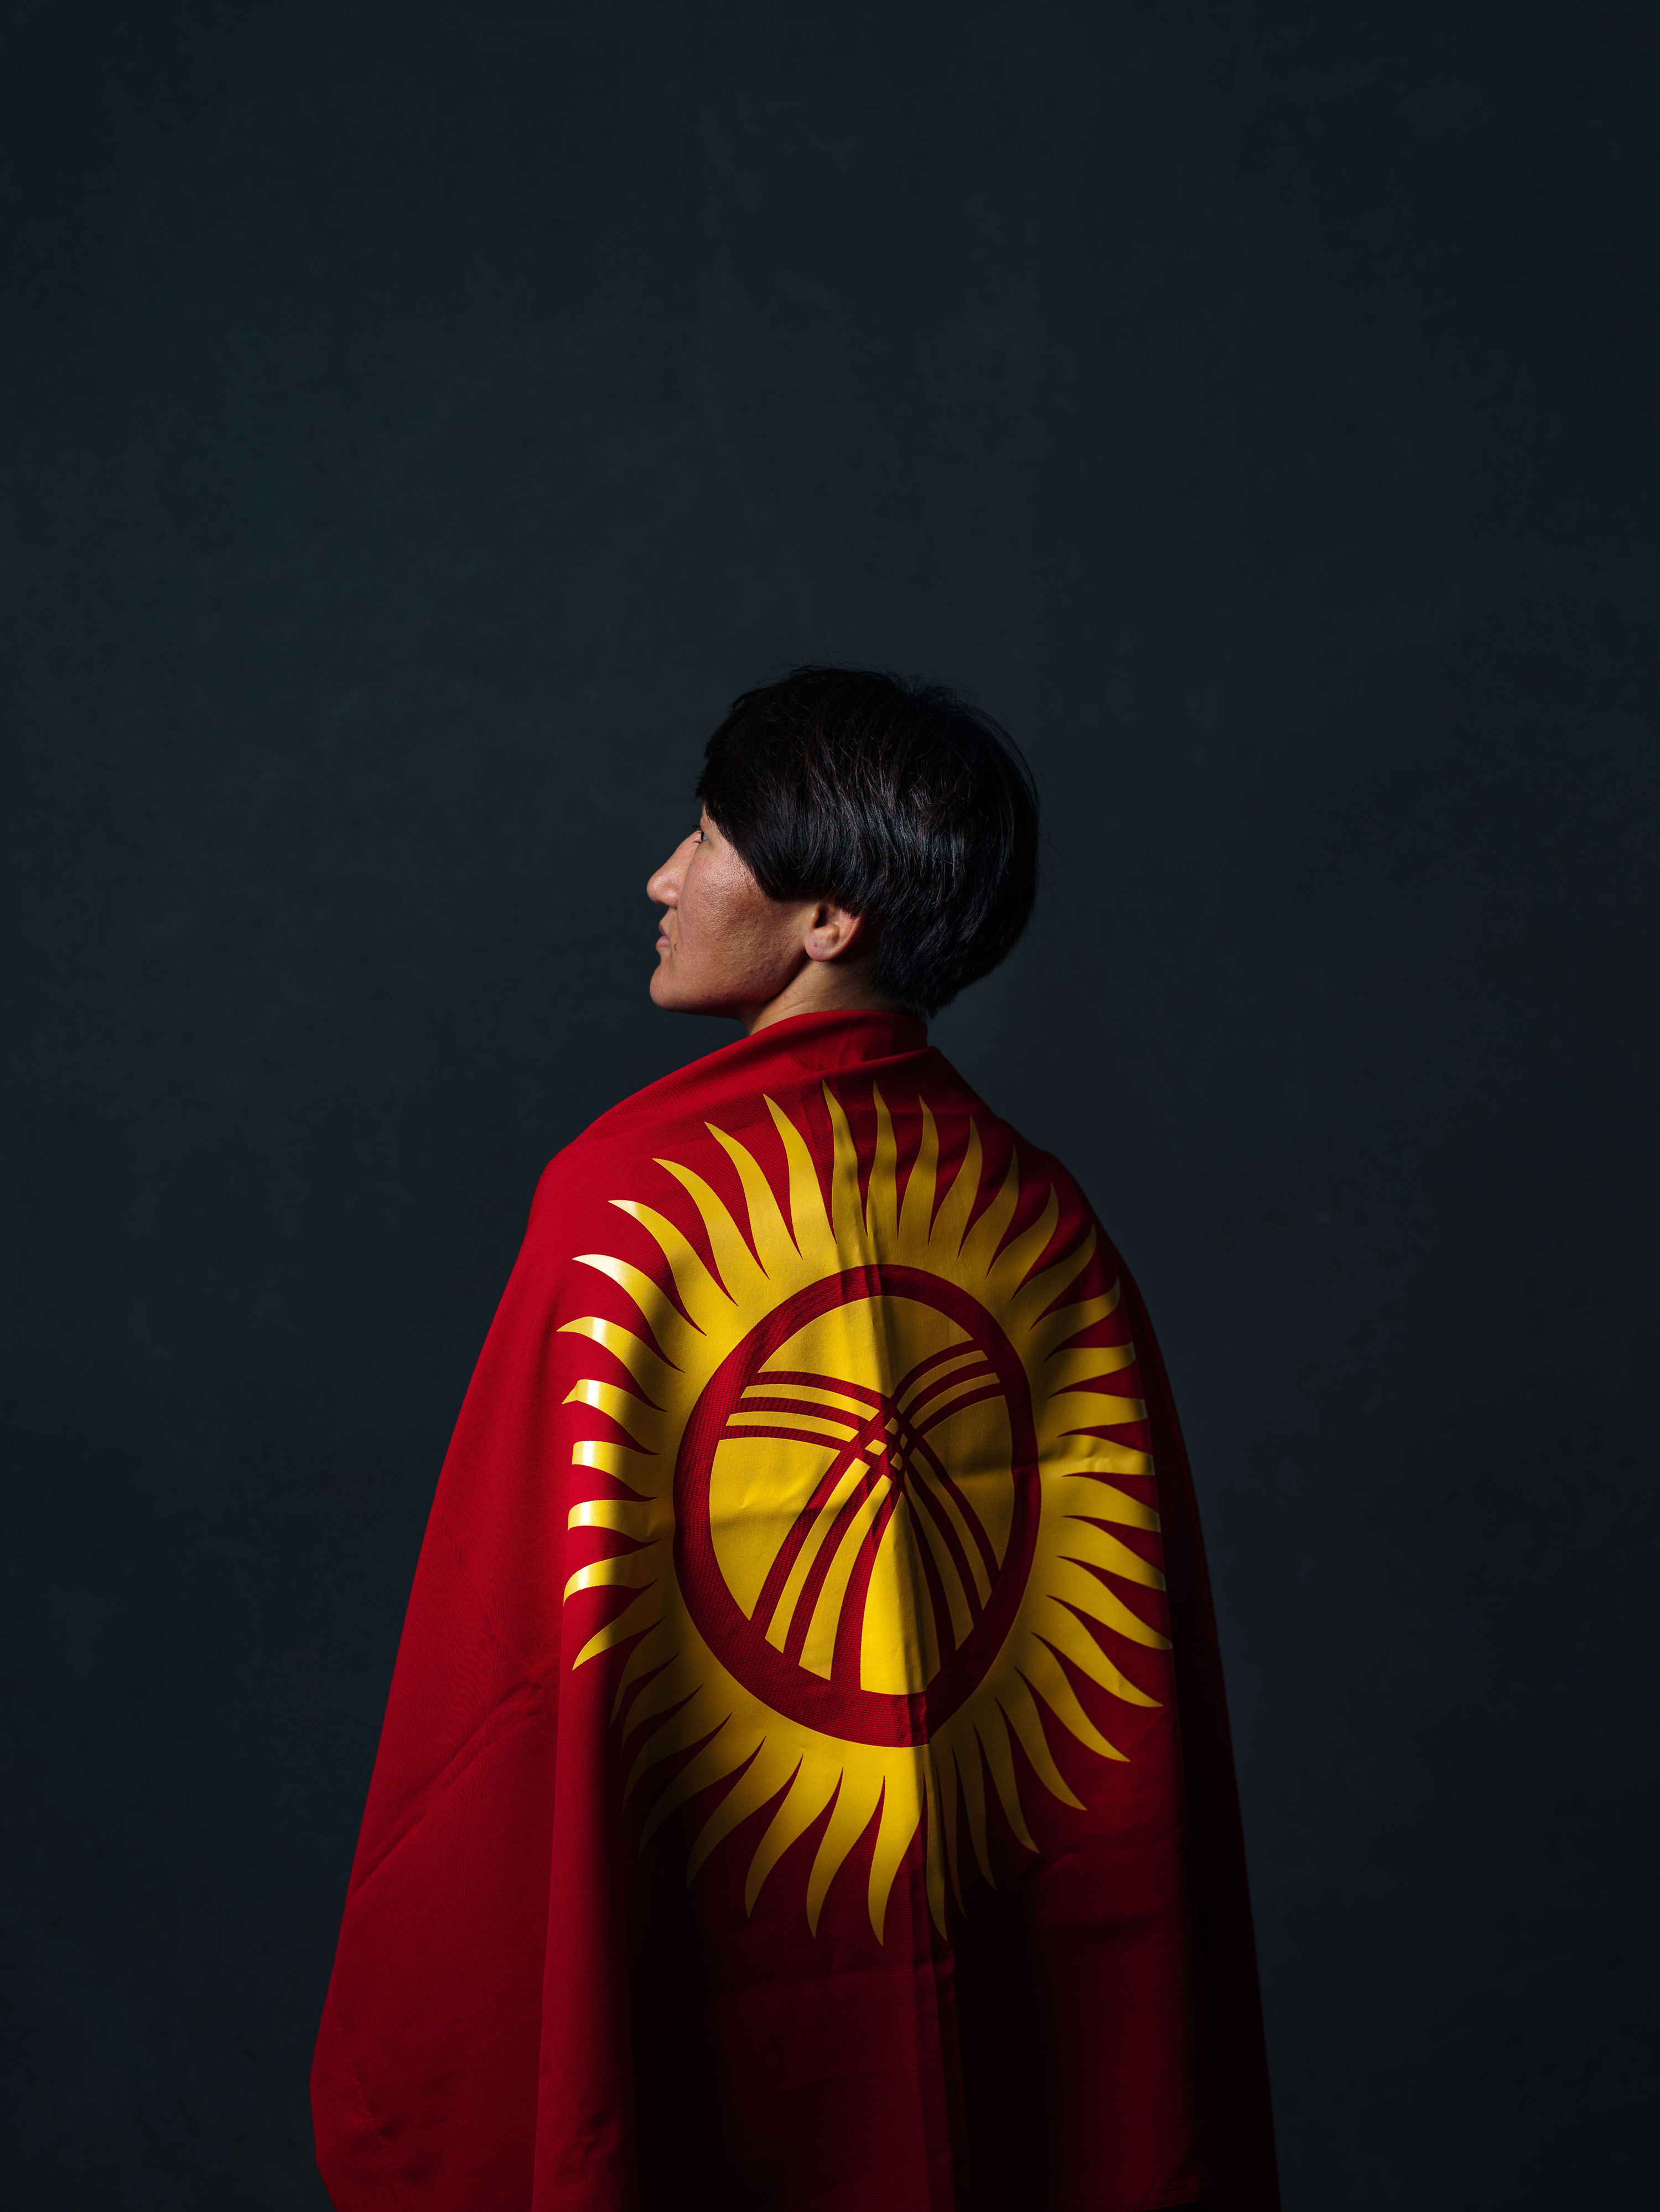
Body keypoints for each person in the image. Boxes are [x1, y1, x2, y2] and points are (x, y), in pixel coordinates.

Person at [312, 667, 1279, 2212]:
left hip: (713, 1913)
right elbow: (1123, 1718)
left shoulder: (624, 1204)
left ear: (826, 919)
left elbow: (503, 1674)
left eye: (705, 837)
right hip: (973, 1928)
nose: (664, 875)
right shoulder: (1042, 1221)